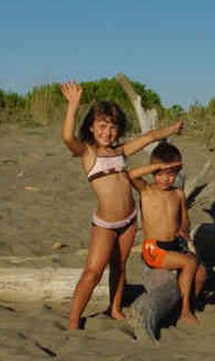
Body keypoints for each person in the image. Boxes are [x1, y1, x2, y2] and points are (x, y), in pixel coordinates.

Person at [60, 80, 183, 330]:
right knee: (92, 272)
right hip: (105, 224)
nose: (108, 132)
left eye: (113, 127)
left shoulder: (120, 152)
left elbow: (149, 137)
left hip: (129, 220)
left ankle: (114, 308)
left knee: (120, 265)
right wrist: (73, 106)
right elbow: (67, 137)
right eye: (102, 126)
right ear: (92, 129)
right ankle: (74, 320)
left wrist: (172, 128)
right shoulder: (88, 154)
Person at [126, 142, 207, 325]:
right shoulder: (146, 191)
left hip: (174, 245)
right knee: (190, 262)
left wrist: (183, 229)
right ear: (153, 172)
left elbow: (185, 219)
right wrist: (157, 165)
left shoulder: (178, 194)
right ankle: (185, 311)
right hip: (153, 249)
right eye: (160, 173)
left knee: (201, 274)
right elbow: (130, 175)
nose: (165, 178)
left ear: (178, 172)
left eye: (170, 174)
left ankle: (187, 303)